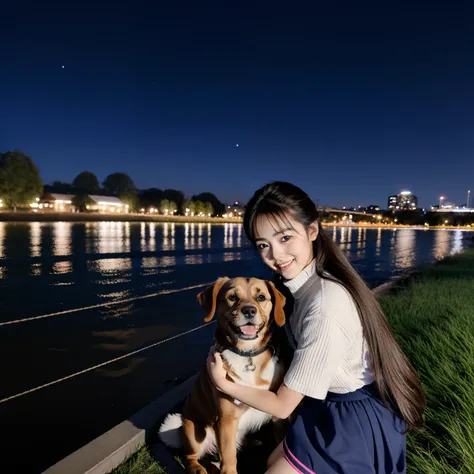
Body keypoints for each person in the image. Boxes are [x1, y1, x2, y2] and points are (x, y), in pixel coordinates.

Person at [207, 181, 425, 474]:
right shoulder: (306, 287)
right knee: (273, 462)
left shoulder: (325, 305)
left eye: (285, 237)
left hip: (352, 421)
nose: (275, 255)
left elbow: (282, 407)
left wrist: (223, 383)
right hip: (326, 405)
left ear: (312, 231)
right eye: (263, 245)